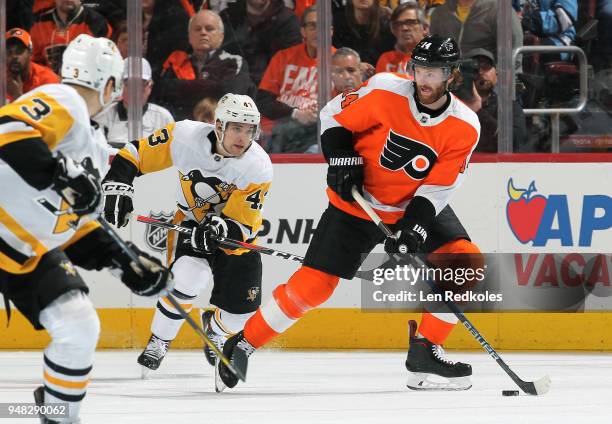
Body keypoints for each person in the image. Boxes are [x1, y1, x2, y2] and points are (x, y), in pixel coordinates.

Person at [215, 35, 483, 393]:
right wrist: (341, 158)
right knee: (313, 287)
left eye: (433, 72)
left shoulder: (465, 125)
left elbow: (437, 187)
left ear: (450, 75)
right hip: (357, 205)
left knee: (465, 261)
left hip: (410, 205)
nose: (424, 80)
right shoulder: (386, 90)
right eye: (419, 70)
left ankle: (425, 350)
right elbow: (333, 117)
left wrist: (414, 228)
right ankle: (241, 343)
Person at [0, 34, 170, 424]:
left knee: (78, 325)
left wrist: (124, 261)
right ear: (109, 84)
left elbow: (73, 222)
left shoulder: (92, 142)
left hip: (24, 251)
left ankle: (58, 416)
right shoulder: (66, 101)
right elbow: (7, 130)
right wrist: (60, 176)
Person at [101, 93, 273, 377]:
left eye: (249, 129)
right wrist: (118, 183)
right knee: (185, 281)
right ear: (219, 125)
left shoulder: (258, 165)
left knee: (242, 313)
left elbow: (241, 222)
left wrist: (219, 228)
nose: (243, 137)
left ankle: (215, 327)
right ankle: (159, 340)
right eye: (236, 128)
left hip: (235, 238)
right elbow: (136, 153)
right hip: (190, 225)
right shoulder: (184, 136)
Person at [155, 9, 255, 120]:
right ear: (189, 37)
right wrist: (211, 87)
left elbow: (230, 96)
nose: (203, 32)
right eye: (197, 29)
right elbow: (162, 93)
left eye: (209, 29)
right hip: (179, 128)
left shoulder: (234, 61)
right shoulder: (177, 62)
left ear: (221, 36)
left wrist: (182, 88)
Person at [257, 6, 329, 152]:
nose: (318, 32)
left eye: (323, 26)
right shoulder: (283, 57)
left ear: (331, 31)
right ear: (303, 31)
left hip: (317, 132)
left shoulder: (339, 61)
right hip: (281, 127)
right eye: (313, 26)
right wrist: (296, 113)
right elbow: (264, 100)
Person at [94, 58, 174, 149]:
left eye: (141, 83)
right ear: (120, 85)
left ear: (150, 87)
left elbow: (173, 156)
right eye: (130, 83)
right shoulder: (103, 116)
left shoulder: (163, 118)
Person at [219, 0, 302, 85]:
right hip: (229, 84)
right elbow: (218, 56)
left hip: (269, 87)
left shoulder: (288, 21)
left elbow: (290, 64)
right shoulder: (228, 16)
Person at [461, 48, 528, 152]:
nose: (481, 72)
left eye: (486, 67)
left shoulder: (509, 107)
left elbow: (516, 140)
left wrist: (479, 112)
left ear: (496, 73)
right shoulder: (452, 105)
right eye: (475, 68)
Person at [30, 0, 112, 74]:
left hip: (84, 83)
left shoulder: (97, 22)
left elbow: (103, 63)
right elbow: (34, 61)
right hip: (49, 83)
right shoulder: (38, 23)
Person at [429, 0, 523, 61]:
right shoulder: (440, 14)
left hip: (487, 85)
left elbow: (513, 60)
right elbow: (434, 53)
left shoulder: (501, 11)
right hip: (448, 83)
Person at [332, 0, 395, 68]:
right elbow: (333, 53)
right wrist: (356, 65)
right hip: (345, 71)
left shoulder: (387, 22)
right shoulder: (337, 19)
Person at [5, 28, 60, 102]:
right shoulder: (3, 77)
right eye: (9, 52)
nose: (14, 56)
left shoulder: (47, 80)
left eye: (19, 51)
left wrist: (17, 96)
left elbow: (52, 113)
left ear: (30, 52)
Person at [376, 2, 429, 74]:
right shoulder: (387, 59)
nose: (404, 28)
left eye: (410, 22)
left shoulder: (437, 58)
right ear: (394, 31)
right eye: (399, 24)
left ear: (425, 28)